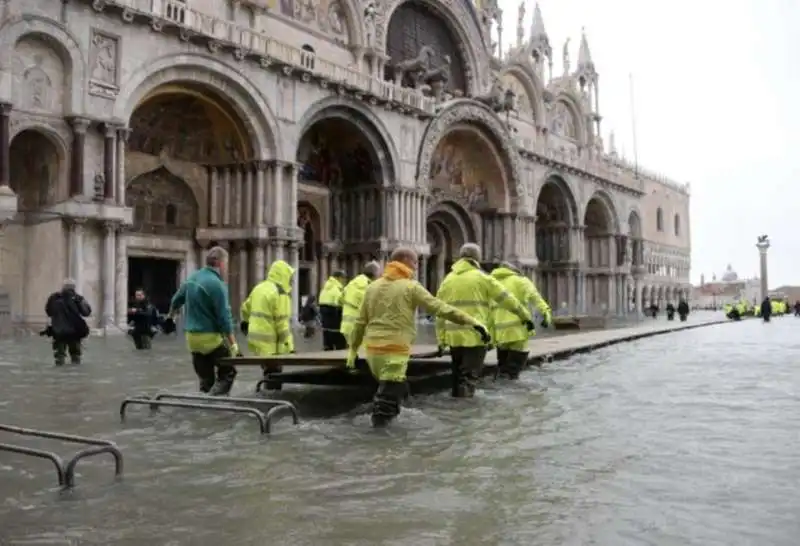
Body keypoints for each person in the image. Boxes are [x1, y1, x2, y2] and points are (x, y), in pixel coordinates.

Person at [346, 247, 490, 428]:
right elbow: (441, 308)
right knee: (385, 407)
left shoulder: (372, 287)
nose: (416, 267)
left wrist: (352, 351)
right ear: (405, 260)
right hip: (395, 353)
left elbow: (360, 323)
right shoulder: (411, 287)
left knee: (398, 392)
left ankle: (398, 418)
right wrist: (474, 322)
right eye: (415, 262)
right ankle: (380, 446)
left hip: (373, 353)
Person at [436, 243, 534, 398]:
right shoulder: (482, 278)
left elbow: (439, 312)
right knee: (468, 379)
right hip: (475, 336)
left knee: (457, 379)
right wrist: (525, 317)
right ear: (477, 258)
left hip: (453, 337)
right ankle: (465, 415)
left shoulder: (448, 280)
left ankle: (454, 409)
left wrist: (441, 340)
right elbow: (508, 299)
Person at [166, 246, 241, 396]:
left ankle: (205, 404)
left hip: (192, 339)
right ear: (220, 263)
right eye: (226, 263)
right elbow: (224, 317)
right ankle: (214, 401)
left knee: (206, 381)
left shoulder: (192, 278)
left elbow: (176, 300)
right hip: (210, 338)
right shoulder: (217, 284)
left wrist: (170, 317)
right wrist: (234, 344)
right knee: (228, 373)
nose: (226, 267)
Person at [489, 262, 552, 380]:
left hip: (499, 332)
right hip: (518, 329)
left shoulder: (491, 283)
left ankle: (500, 387)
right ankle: (512, 392)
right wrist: (546, 314)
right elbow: (536, 299)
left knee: (502, 368)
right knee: (513, 371)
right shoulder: (521, 281)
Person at [241, 260, 295, 380]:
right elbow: (282, 325)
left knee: (267, 371)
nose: (291, 280)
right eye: (290, 276)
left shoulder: (259, 288)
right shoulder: (281, 293)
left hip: (255, 341)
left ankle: (265, 391)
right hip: (270, 343)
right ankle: (271, 394)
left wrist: (245, 324)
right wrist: (289, 347)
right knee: (275, 374)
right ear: (283, 275)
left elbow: (245, 309)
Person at [44, 278, 91, 366]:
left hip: (59, 332)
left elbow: (49, 312)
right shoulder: (78, 299)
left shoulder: (54, 298)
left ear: (63, 287)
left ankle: (60, 373)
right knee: (76, 356)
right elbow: (86, 312)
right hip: (74, 332)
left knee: (59, 356)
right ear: (74, 288)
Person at [340, 261, 381, 346]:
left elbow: (340, 299)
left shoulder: (354, 282)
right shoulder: (366, 285)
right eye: (379, 273)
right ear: (374, 273)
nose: (380, 276)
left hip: (347, 327)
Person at [319, 271, 346, 350]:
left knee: (326, 329)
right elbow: (341, 299)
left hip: (323, 307)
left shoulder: (326, 286)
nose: (344, 280)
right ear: (338, 278)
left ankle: (327, 346)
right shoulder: (337, 287)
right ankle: (339, 347)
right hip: (334, 309)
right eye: (343, 278)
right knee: (336, 330)